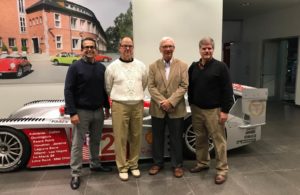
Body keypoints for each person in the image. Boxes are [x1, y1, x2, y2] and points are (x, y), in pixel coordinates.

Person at [64, 37, 112, 190]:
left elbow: (104, 90)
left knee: (96, 141)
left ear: (95, 49)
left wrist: (106, 107)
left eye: (92, 47)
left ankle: (95, 164)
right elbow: (68, 90)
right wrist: (72, 112)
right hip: (81, 112)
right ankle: (76, 173)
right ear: (82, 50)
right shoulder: (75, 67)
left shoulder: (101, 68)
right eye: (86, 47)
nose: (89, 50)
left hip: (98, 111)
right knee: (78, 144)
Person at [188, 37, 234, 184]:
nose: (207, 51)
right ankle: (202, 163)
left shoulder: (221, 67)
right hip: (196, 110)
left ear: (213, 50)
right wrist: (191, 102)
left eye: (209, 48)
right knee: (200, 138)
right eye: (204, 48)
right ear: (200, 50)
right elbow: (190, 87)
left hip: (214, 111)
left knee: (218, 141)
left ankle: (222, 170)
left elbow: (228, 90)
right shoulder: (193, 67)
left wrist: (225, 111)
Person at [105, 36, 148, 181]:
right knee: (121, 138)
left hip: (137, 105)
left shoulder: (141, 66)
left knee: (136, 136)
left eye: (130, 46)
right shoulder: (112, 67)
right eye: (125, 46)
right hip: (119, 105)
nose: (127, 49)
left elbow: (144, 83)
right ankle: (122, 167)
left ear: (133, 48)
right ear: (119, 47)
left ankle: (134, 165)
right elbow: (108, 87)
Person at [148, 37, 188, 178]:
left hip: (176, 108)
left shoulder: (182, 65)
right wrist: (162, 102)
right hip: (157, 109)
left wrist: (170, 102)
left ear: (174, 48)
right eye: (165, 46)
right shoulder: (153, 66)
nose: (168, 49)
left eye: (170, 46)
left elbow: (184, 85)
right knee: (157, 138)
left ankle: (177, 165)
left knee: (176, 138)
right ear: (160, 49)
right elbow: (151, 86)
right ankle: (157, 163)